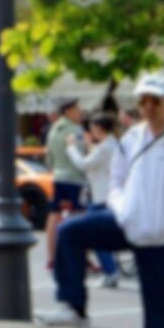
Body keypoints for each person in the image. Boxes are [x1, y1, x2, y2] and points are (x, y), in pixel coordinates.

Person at [41, 73, 164, 328]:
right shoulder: (132, 137)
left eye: (154, 101)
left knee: (159, 314)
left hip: (163, 238)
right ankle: (72, 307)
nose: (148, 107)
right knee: (70, 232)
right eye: (143, 101)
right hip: (128, 222)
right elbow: (117, 180)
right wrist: (122, 209)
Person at [74, 114, 122, 287]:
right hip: (105, 194)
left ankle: (110, 271)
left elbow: (84, 164)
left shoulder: (105, 148)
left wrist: (70, 148)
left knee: (96, 236)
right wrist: (90, 145)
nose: (91, 132)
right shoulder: (110, 144)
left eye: (93, 128)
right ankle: (110, 270)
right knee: (99, 235)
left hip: (101, 196)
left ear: (100, 129)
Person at [45, 99, 87, 219]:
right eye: (77, 109)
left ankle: (52, 238)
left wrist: (53, 169)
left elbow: (49, 155)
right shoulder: (76, 129)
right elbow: (79, 155)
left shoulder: (53, 129)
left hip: (58, 177)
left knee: (55, 213)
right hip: (74, 178)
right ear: (68, 111)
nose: (80, 112)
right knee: (78, 213)